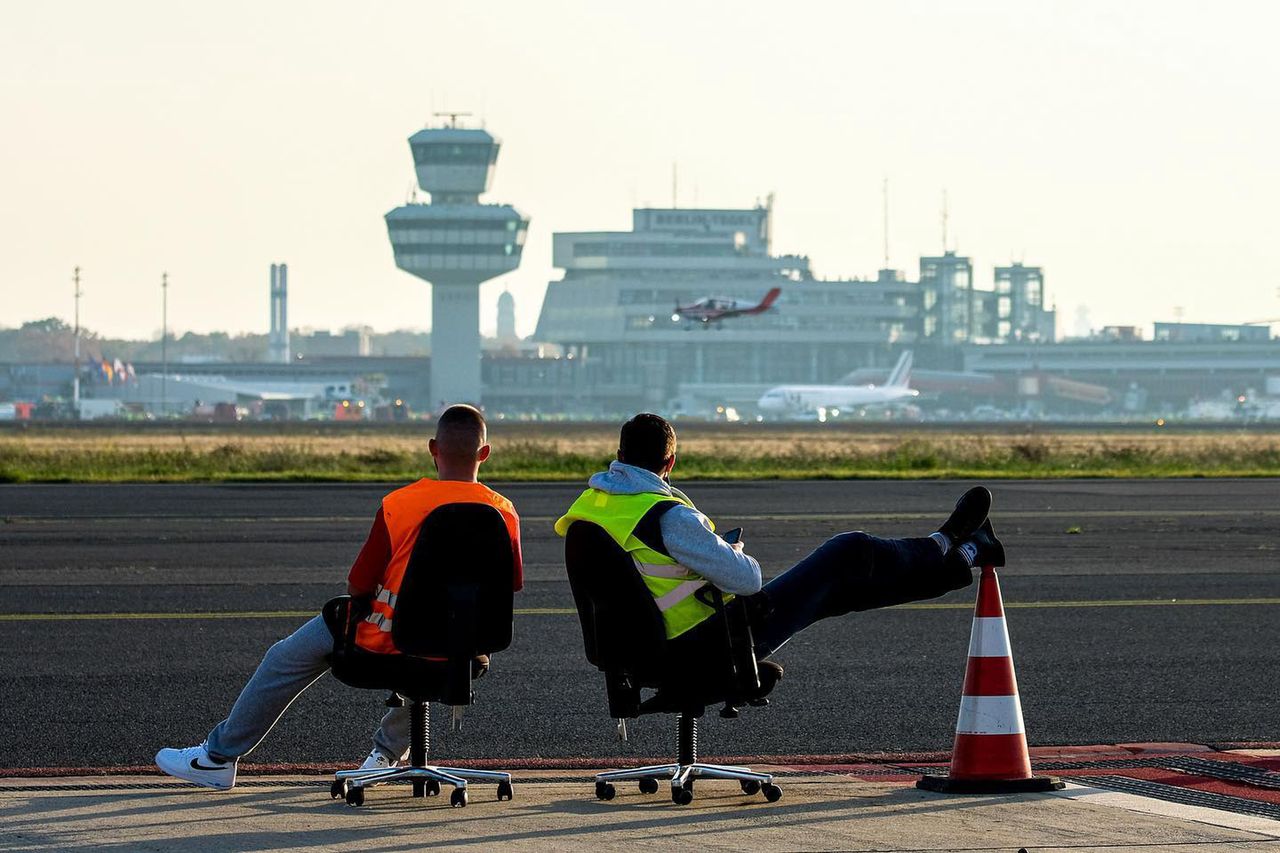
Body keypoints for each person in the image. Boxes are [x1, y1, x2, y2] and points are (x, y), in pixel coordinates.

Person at [155, 405, 522, 790]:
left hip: (384, 643)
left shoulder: (399, 505)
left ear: (433, 448)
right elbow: (509, 585)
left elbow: (359, 586)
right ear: (485, 454)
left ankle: (218, 757)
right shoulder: (504, 513)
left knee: (283, 658)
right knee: (432, 645)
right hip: (461, 652)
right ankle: (385, 754)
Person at [554, 413, 1001, 675]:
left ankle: (965, 553)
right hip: (707, 645)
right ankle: (943, 543)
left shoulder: (592, 506)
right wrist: (731, 552)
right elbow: (748, 580)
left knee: (837, 591)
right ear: (670, 462)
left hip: (637, 652)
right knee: (850, 551)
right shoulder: (667, 515)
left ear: (620, 454)